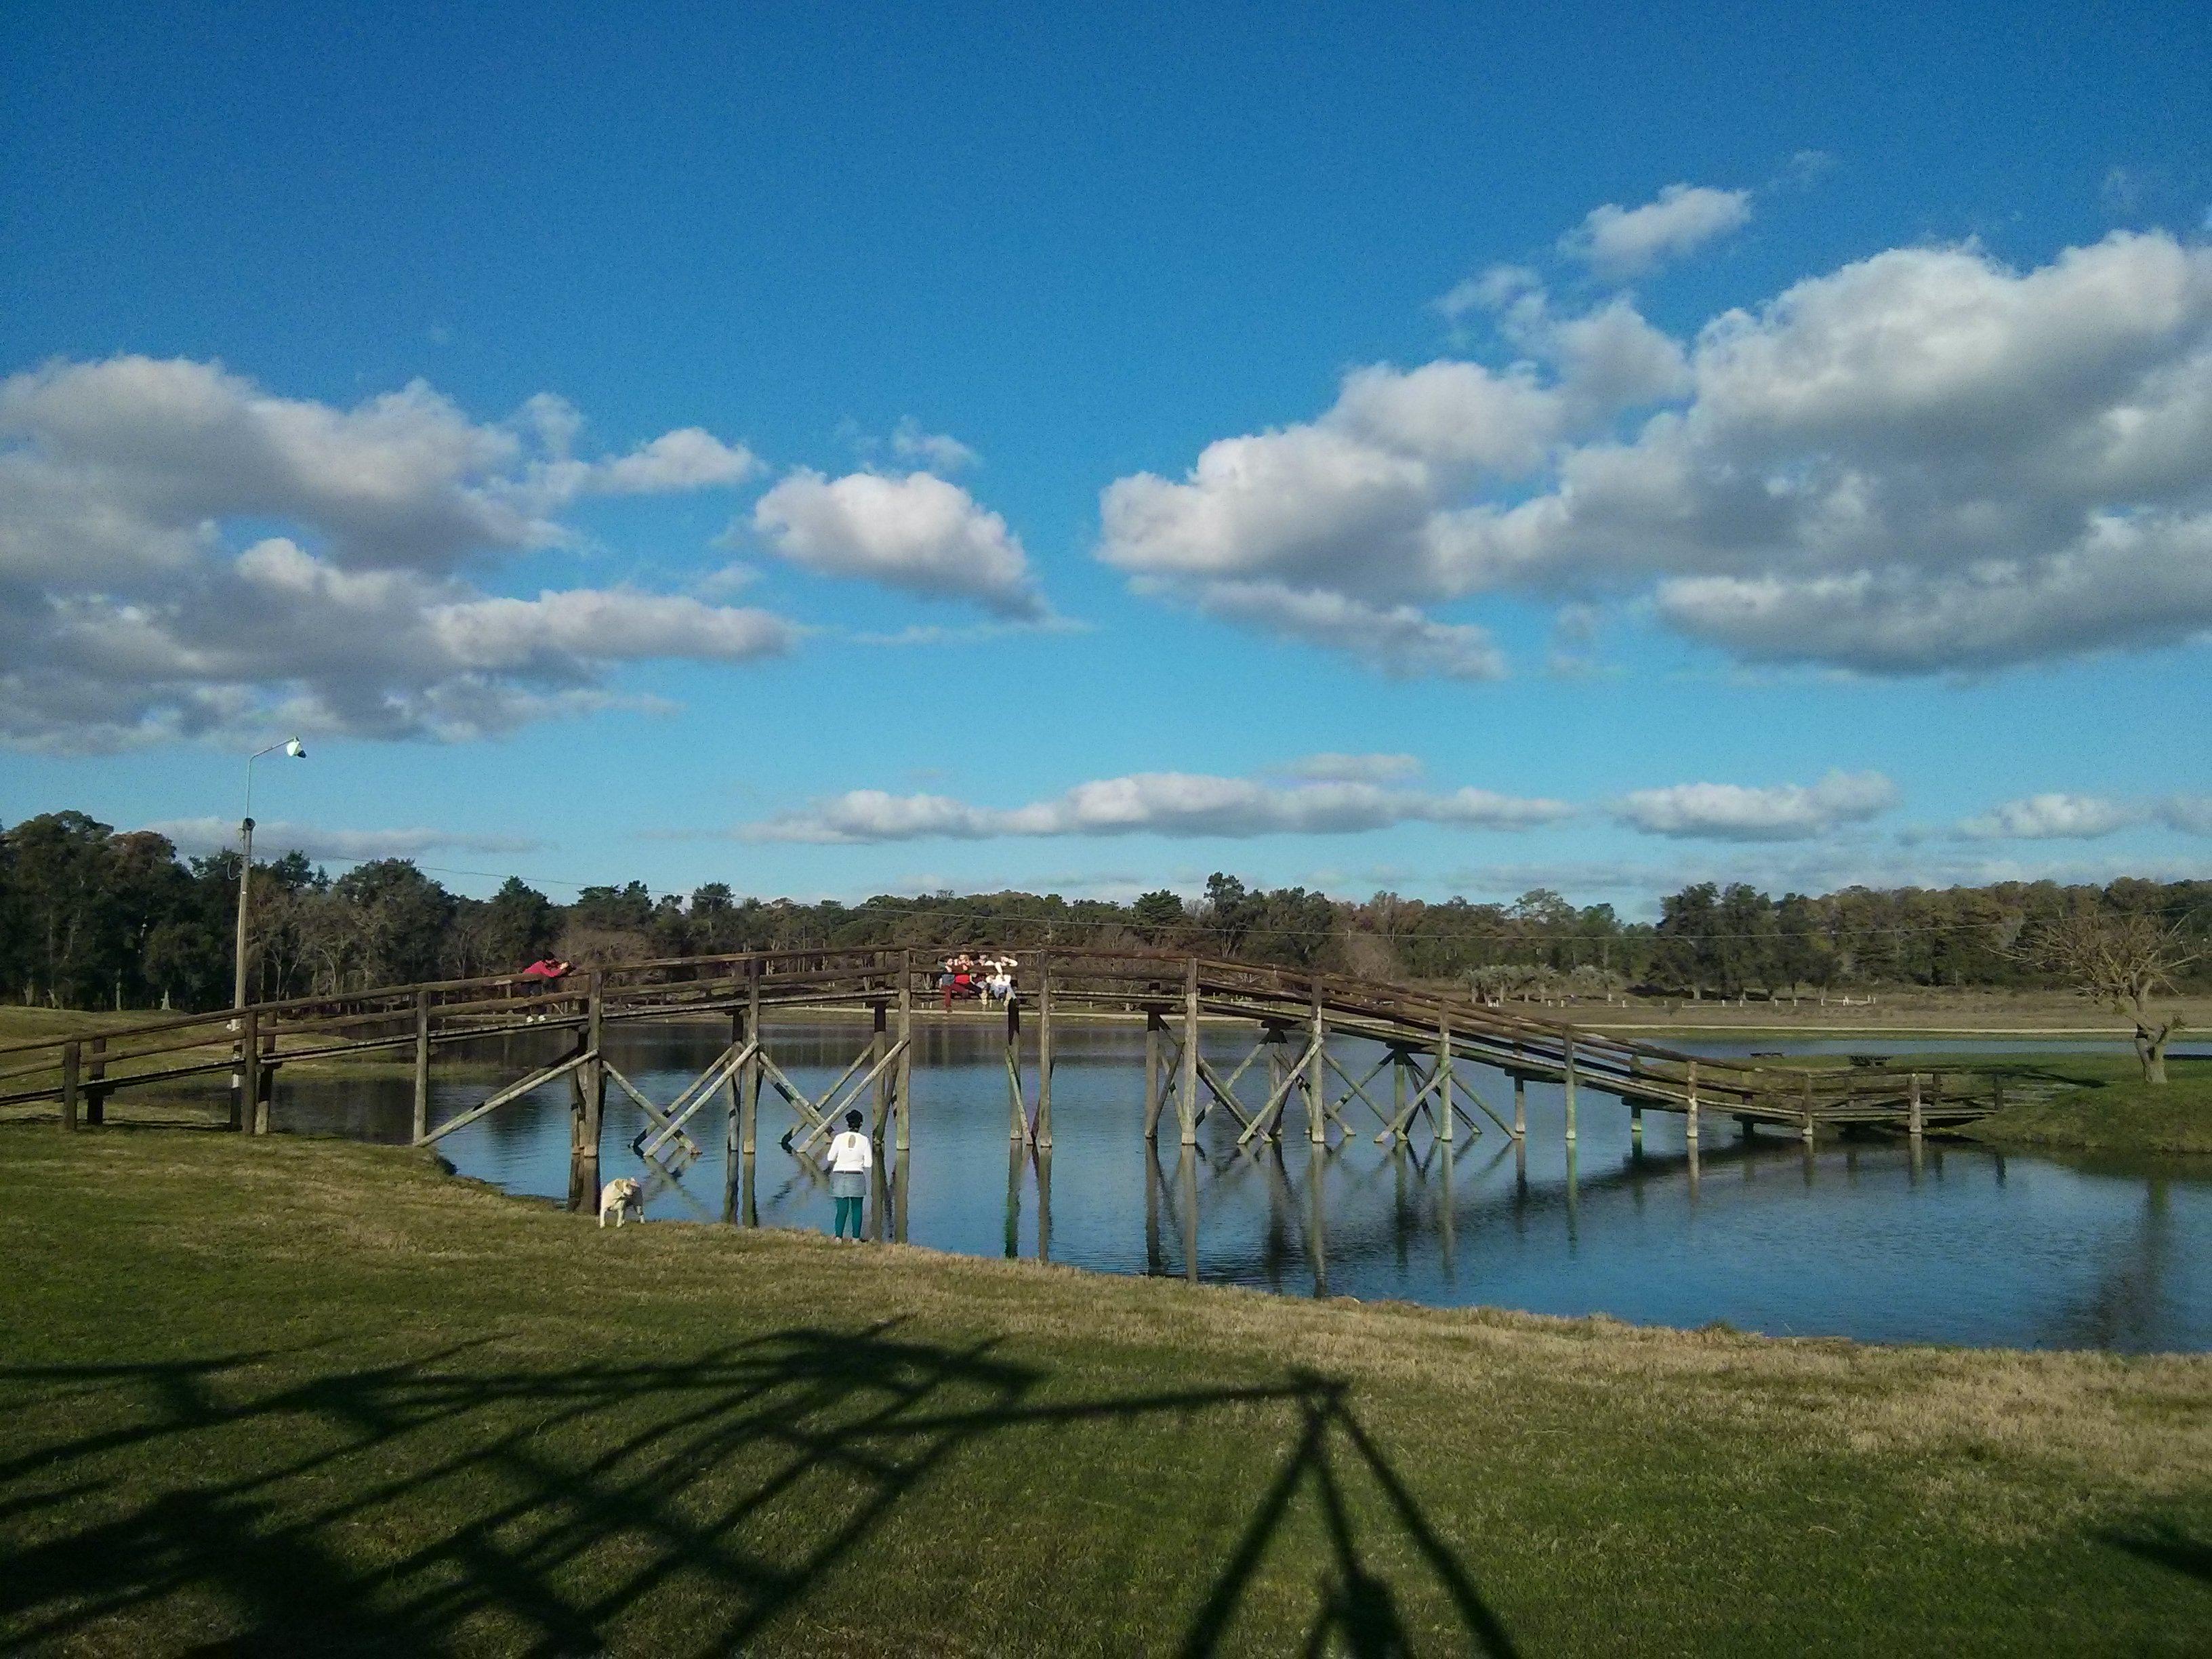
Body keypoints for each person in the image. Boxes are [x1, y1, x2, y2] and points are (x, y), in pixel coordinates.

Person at [823, 1109, 873, 1242]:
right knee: (857, 1208)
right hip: (857, 1174)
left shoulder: (839, 1138)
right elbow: (868, 1164)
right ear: (861, 1124)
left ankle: (838, 1237)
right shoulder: (865, 1140)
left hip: (840, 1174)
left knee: (841, 1209)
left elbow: (830, 1157)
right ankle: (856, 1238)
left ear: (847, 1123)